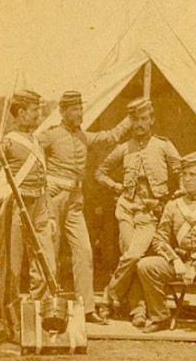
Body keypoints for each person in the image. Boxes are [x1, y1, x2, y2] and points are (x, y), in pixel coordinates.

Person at [37, 90, 131, 324]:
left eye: (81, 108)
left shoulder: (83, 137)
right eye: (75, 109)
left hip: (76, 200)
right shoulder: (49, 136)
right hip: (53, 196)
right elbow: (28, 152)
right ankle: (44, 308)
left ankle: (86, 308)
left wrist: (131, 117)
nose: (80, 113)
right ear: (63, 111)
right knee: (50, 252)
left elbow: (110, 137)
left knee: (84, 252)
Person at [95, 97, 182, 327]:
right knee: (132, 255)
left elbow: (181, 170)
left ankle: (109, 296)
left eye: (144, 119)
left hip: (150, 214)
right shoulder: (124, 148)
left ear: (152, 120)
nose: (140, 124)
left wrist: (177, 195)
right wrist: (115, 186)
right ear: (131, 123)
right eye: (135, 120)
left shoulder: (164, 145)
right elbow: (100, 172)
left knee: (133, 256)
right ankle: (138, 312)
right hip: (125, 210)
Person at [137, 152, 196, 356]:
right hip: (180, 262)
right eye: (184, 175)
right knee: (146, 265)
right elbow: (159, 239)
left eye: (192, 174)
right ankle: (160, 316)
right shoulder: (173, 206)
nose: (187, 179)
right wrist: (175, 261)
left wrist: (195, 266)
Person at [0, 90, 56, 343]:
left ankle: (36, 319)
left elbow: (43, 179)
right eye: (35, 110)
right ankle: (14, 326)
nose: (39, 114)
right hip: (14, 205)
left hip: (40, 204)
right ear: (20, 113)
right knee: (12, 267)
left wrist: (50, 213)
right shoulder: (6, 142)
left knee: (46, 265)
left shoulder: (36, 141)